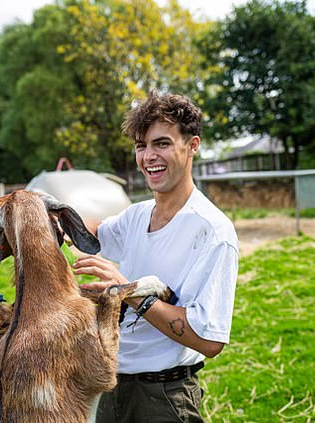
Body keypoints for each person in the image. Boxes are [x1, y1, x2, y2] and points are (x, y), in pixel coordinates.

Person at [73, 91, 239, 422]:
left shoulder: (212, 232)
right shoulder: (135, 216)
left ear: (192, 146)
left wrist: (129, 292)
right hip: (113, 387)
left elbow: (209, 341)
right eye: (141, 146)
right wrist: (51, 216)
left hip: (164, 399)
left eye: (161, 144)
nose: (149, 156)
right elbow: (92, 233)